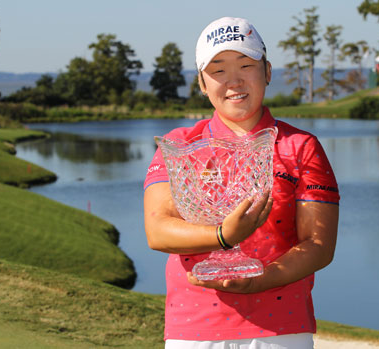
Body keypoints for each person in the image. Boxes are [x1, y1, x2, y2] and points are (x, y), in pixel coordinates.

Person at [143, 17, 340, 348]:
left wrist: (263, 279)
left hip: (282, 330)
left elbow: (318, 245)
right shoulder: (179, 144)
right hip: (193, 326)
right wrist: (222, 236)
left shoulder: (301, 146)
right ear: (202, 84)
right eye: (217, 70)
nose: (233, 80)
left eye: (246, 65)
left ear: (267, 72)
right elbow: (157, 229)